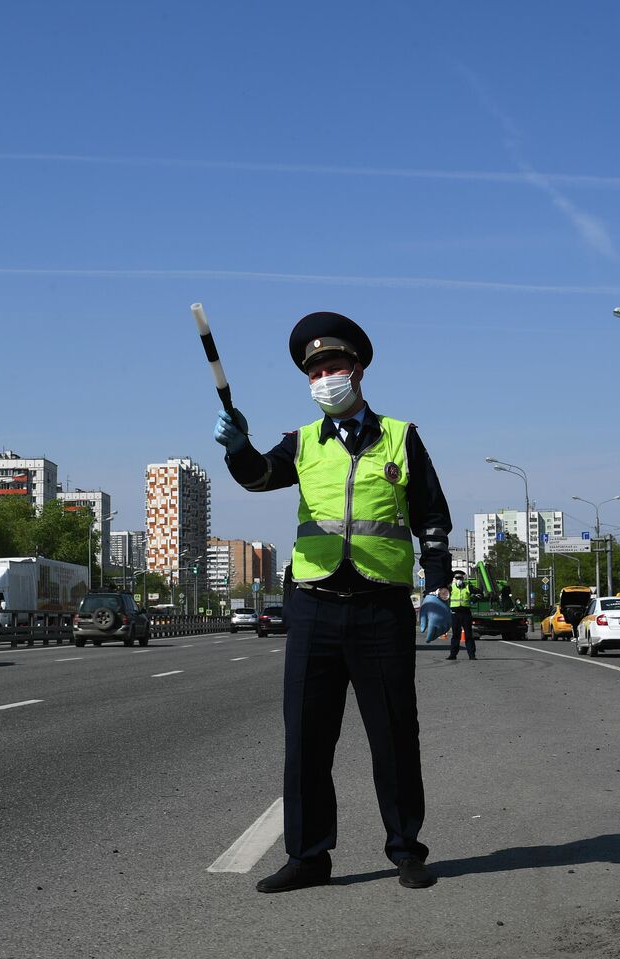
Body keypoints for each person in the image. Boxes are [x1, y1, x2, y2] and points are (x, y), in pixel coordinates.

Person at [213, 310, 452, 894]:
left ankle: (406, 850)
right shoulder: (301, 443)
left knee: (395, 736)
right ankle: (308, 857)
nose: (324, 376)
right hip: (315, 607)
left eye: (333, 365)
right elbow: (259, 476)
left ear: (358, 369)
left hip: (380, 610)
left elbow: (433, 520)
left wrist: (439, 588)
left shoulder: (401, 437)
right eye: (314, 369)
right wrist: (240, 448)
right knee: (306, 741)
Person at [448, 569, 476, 660]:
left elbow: (479, 593)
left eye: (460, 577)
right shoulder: (451, 587)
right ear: (454, 579)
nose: (459, 579)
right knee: (455, 635)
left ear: (463, 578)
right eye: (457, 578)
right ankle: (453, 655)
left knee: (468, 635)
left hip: (466, 613)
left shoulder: (468, 587)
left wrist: (475, 599)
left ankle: (471, 655)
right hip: (455, 614)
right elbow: (443, 595)